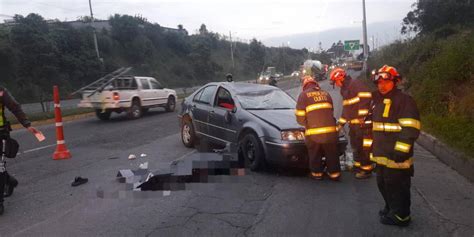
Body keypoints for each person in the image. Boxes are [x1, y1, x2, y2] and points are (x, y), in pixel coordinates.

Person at [370, 65, 420, 227]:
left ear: (395, 81)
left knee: (397, 186)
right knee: (383, 183)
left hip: (397, 155)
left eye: (386, 82)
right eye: (379, 82)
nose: (382, 85)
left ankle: (401, 216)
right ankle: (391, 208)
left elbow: (410, 128)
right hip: (382, 154)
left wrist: (401, 151)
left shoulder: (404, 100)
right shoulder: (378, 100)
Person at [295, 63, 341, 181]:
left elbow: (300, 118)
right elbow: (330, 111)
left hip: (314, 134)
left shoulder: (303, 95)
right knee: (332, 154)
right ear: (316, 84)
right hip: (331, 132)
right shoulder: (326, 94)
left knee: (314, 154)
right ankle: (334, 174)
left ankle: (317, 174)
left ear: (305, 86)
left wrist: (307, 124)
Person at [0, 87, 41, 215]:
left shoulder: (0, 91)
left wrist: (27, 124)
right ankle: (9, 181)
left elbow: (14, 107)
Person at [329, 67, 374, 179]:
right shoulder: (344, 89)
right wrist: (341, 124)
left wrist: (361, 116)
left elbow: (366, 98)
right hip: (354, 124)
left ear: (340, 77)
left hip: (363, 124)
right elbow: (347, 109)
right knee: (355, 146)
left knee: (364, 147)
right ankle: (358, 166)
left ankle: (366, 169)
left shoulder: (355, 84)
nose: (337, 84)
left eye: (336, 82)